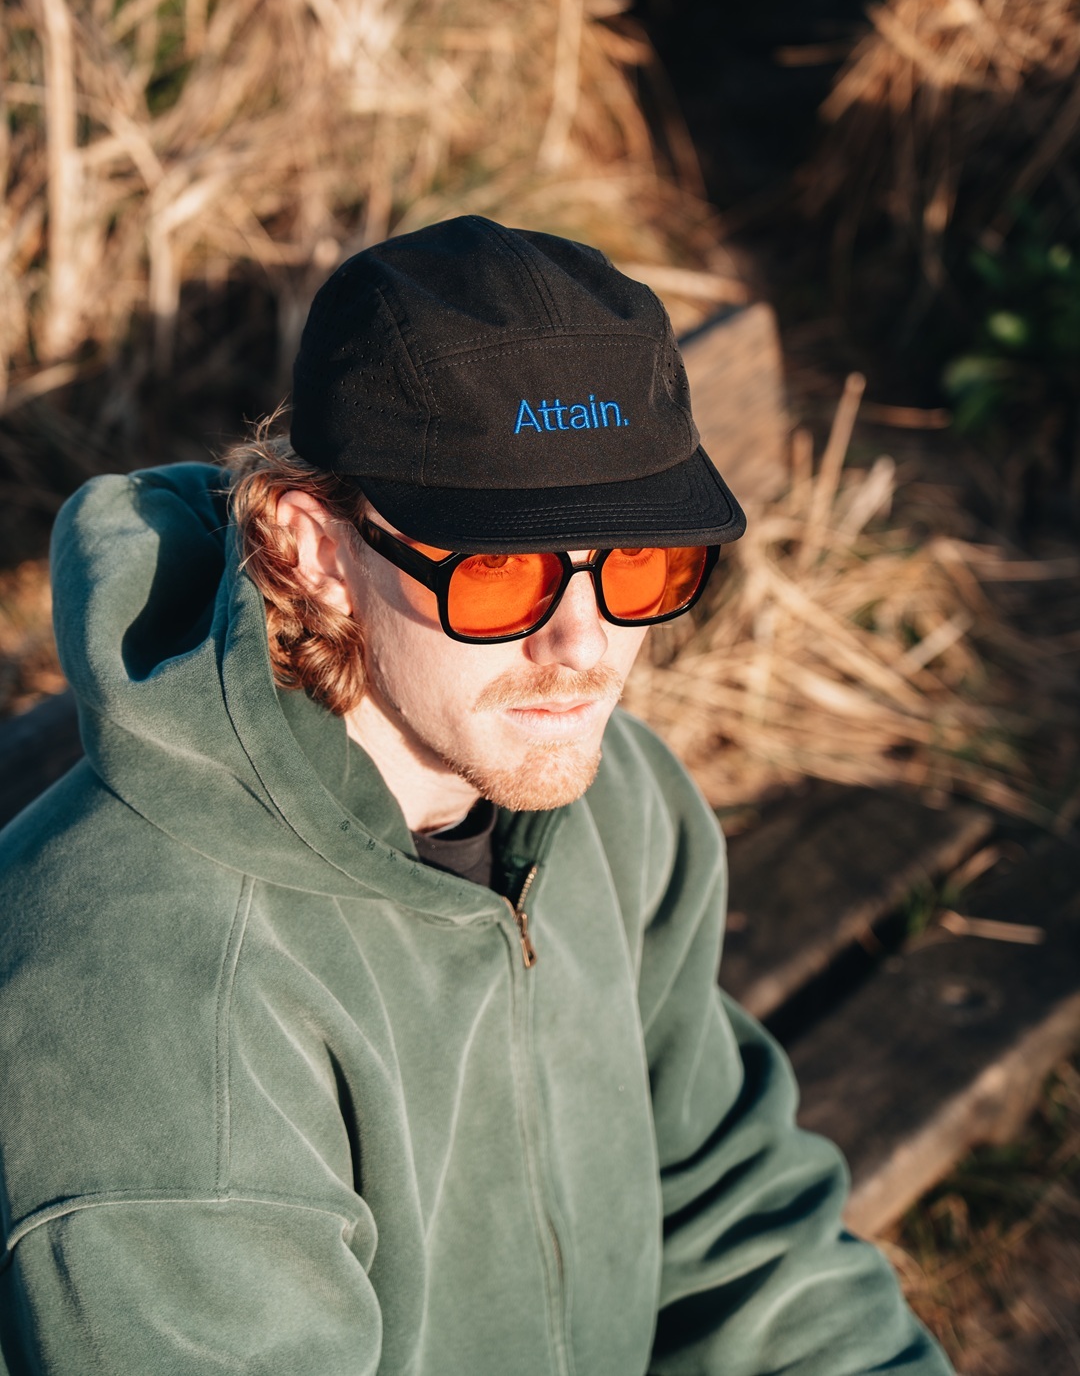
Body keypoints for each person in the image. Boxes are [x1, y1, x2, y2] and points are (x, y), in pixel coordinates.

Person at [0, 216, 952, 1374]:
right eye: (504, 571)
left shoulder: (616, 801)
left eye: (639, 565)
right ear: (313, 551)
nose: (583, 647)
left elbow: (732, 1217)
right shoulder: (149, 998)